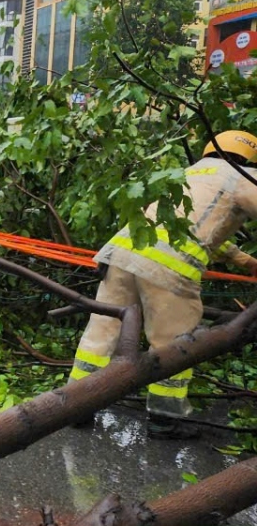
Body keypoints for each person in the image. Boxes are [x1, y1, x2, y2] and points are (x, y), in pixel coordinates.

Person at [68, 130, 257, 440]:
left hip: (122, 253)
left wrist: (245, 261)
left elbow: (207, 228)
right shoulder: (242, 176)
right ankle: (165, 418)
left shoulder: (192, 172)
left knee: (101, 331)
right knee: (174, 343)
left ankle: (75, 405)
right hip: (170, 266)